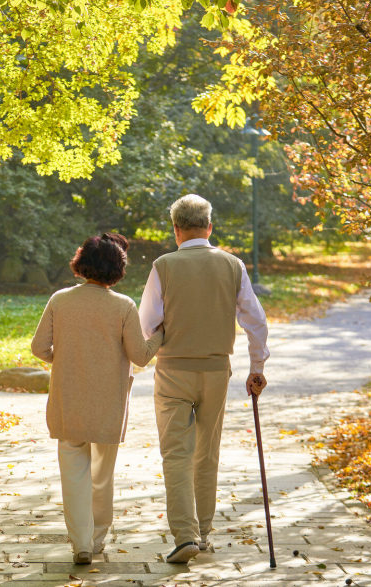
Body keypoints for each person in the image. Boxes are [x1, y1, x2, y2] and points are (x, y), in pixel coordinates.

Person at [139, 194, 269, 564]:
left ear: (176, 230)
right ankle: (206, 532)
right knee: (206, 453)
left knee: (176, 454)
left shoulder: (164, 265)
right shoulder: (232, 265)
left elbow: (147, 323)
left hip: (173, 370)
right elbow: (255, 321)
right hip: (216, 372)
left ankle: (185, 535)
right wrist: (256, 367)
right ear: (210, 227)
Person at [31, 233, 164, 566]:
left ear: (82, 263)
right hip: (108, 403)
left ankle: (81, 544)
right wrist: (161, 333)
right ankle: (98, 537)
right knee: (102, 475)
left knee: (73, 474)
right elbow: (140, 354)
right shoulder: (122, 306)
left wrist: (62, 360)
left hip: (68, 400)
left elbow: (38, 348)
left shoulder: (60, 300)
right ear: (117, 269)